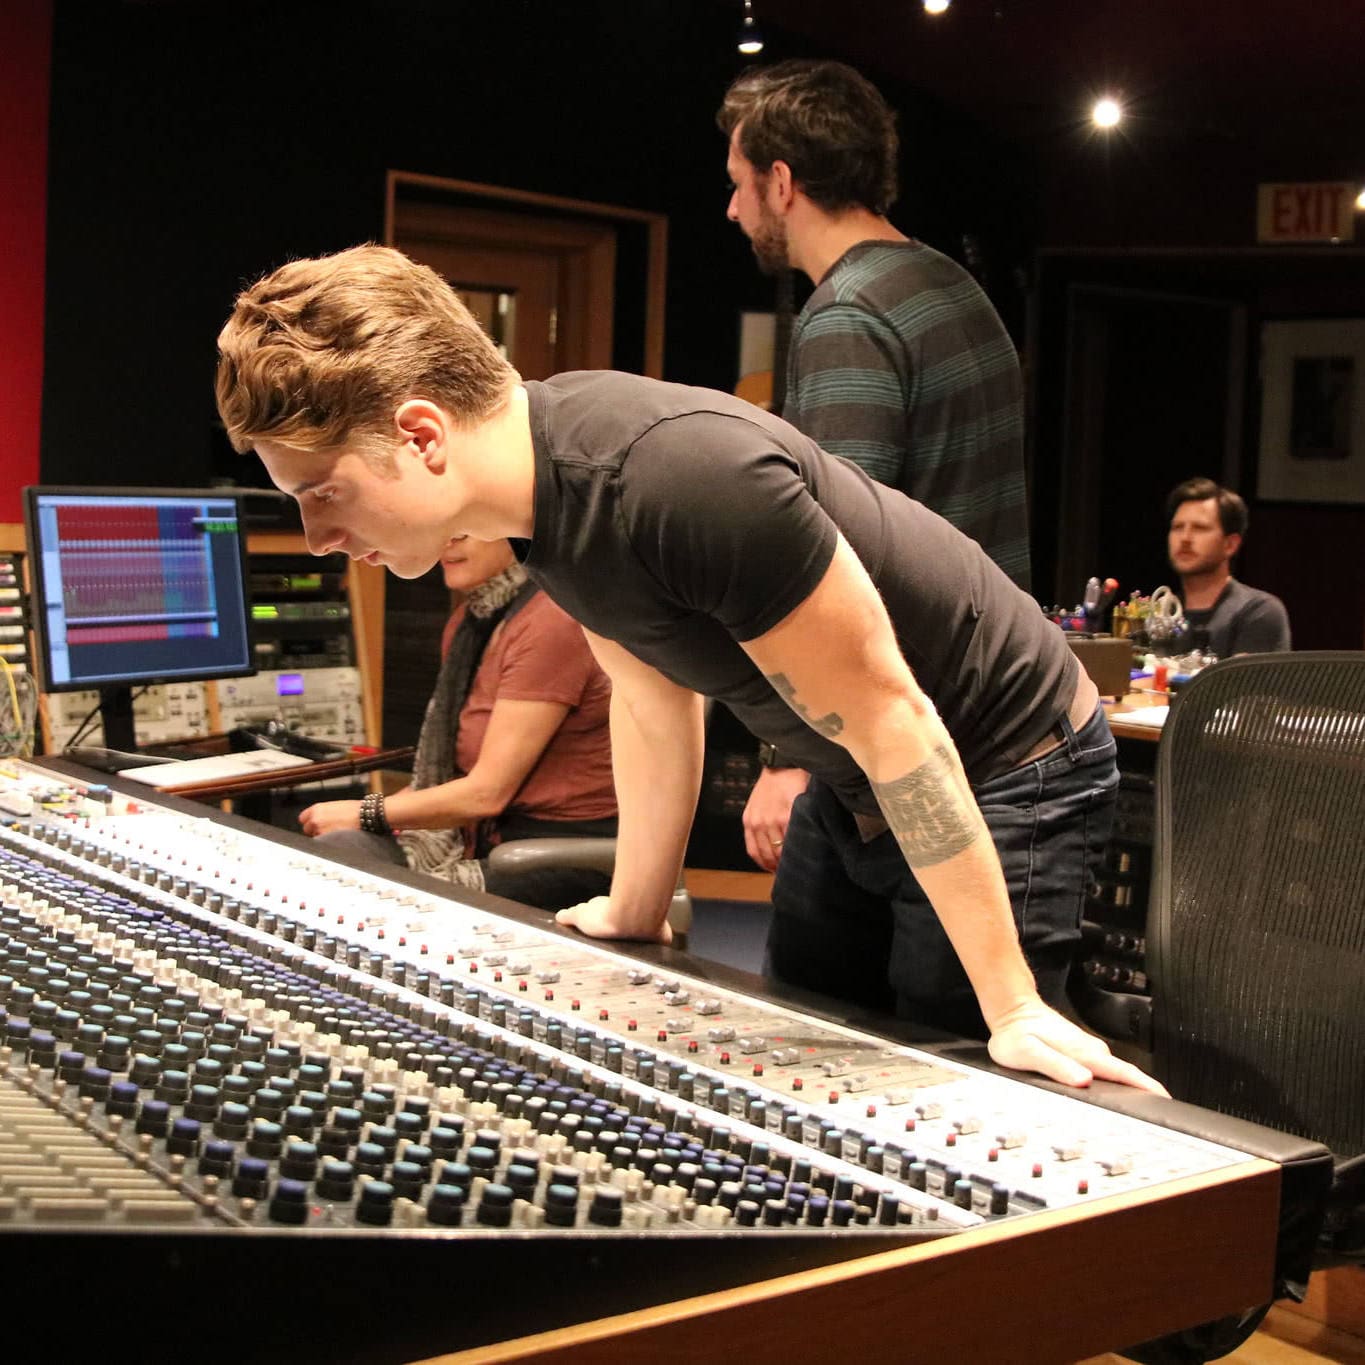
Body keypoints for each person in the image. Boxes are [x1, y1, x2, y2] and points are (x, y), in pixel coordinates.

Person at [215, 244, 1161, 1096]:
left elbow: (894, 721)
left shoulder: (675, 478)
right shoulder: (539, 503)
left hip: (1001, 759)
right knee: (818, 1048)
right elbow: (649, 692)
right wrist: (634, 904)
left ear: (420, 436)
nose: (319, 536)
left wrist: (1012, 1005)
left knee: (968, 1076)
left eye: (321, 492)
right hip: (855, 773)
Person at [717, 60, 1032, 870]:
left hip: (896, 751)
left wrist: (788, 760)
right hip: (988, 721)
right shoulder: (953, 286)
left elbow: (829, 558)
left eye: (739, 184)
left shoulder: (847, 315)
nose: (732, 209)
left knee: (821, 995)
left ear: (781, 182)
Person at [297, 534, 618, 910]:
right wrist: (362, 817)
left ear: (514, 532)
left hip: (558, 858)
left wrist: (365, 810)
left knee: (359, 886)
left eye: (468, 527)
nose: (449, 541)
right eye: (445, 527)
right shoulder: (471, 621)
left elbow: (486, 793)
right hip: (477, 842)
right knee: (336, 853)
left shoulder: (553, 621)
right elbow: (446, 779)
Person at [1166, 477, 1291, 657]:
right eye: (1177, 527)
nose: (1184, 538)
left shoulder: (1258, 611)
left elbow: (1245, 685)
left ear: (1230, 545)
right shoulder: (1163, 614)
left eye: (1200, 528)